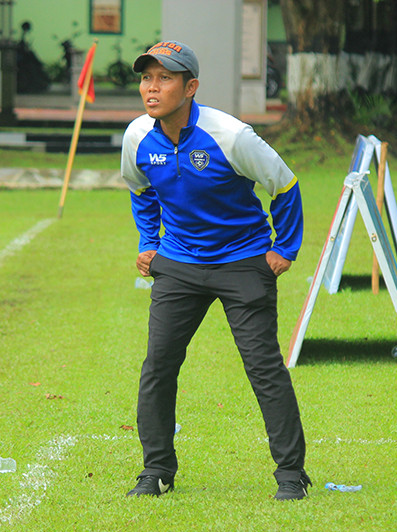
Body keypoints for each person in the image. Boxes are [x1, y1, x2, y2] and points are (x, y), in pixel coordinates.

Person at [119, 40, 311, 501]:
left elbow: (284, 185)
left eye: (165, 78)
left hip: (242, 263)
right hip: (180, 266)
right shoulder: (137, 138)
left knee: (264, 369)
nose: (152, 87)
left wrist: (284, 248)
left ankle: (291, 474)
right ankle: (157, 471)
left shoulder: (231, 135)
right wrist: (150, 244)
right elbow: (141, 192)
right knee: (158, 366)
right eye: (147, 77)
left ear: (190, 88)